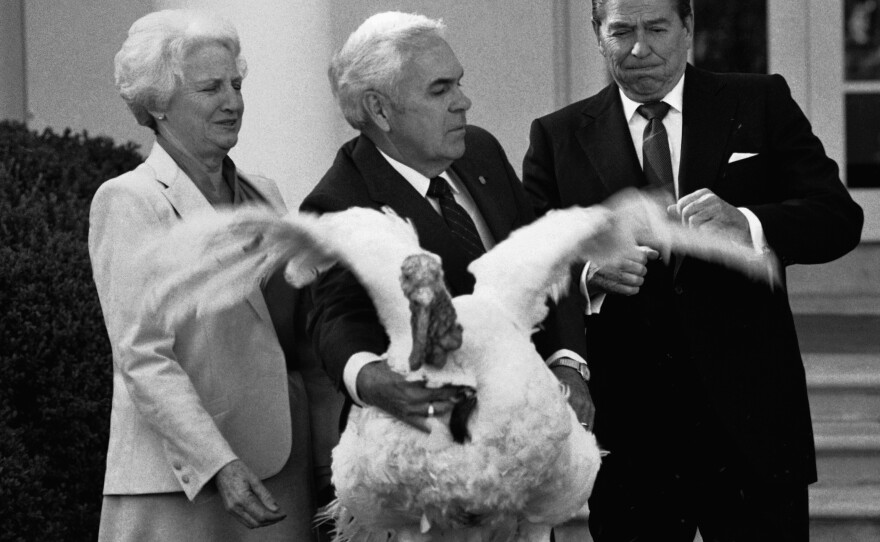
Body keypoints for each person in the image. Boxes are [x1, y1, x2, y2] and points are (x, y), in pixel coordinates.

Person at [522, 0, 865, 540]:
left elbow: (839, 219)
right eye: (622, 31)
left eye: (657, 28)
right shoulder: (557, 136)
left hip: (752, 426)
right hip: (632, 438)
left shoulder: (760, 101)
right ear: (597, 33)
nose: (640, 48)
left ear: (688, 29)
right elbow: (529, 268)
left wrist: (749, 223)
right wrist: (589, 276)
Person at [301, 11, 592, 438]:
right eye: (441, 90)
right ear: (380, 110)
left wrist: (566, 363)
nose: (463, 101)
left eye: (458, 82)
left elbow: (543, 264)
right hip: (432, 447)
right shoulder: (340, 203)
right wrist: (369, 377)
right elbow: (338, 320)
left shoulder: (480, 151)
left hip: (533, 431)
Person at [89, 10, 320, 541]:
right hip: (184, 482)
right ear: (158, 103)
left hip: (279, 470)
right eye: (210, 88)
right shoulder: (130, 200)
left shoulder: (266, 193)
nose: (233, 101)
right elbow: (142, 353)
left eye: (236, 84)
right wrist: (217, 463)